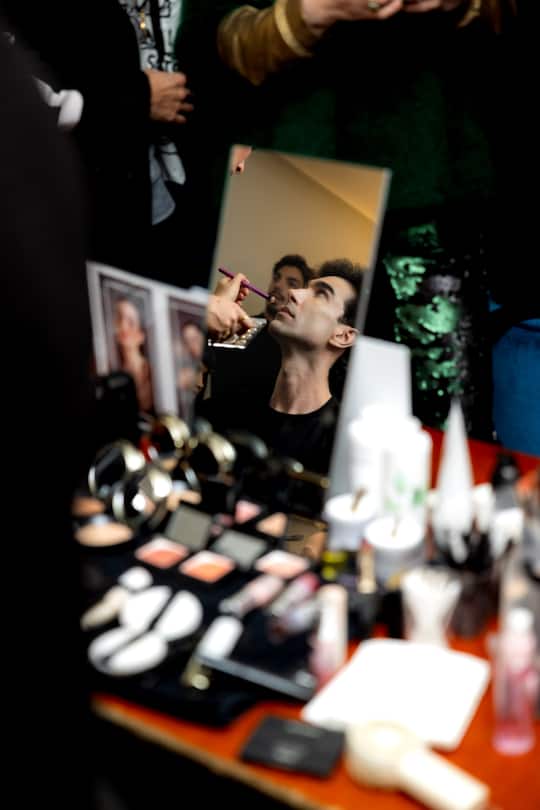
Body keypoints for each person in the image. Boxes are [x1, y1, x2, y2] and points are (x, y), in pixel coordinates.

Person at [176, 0, 519, 441]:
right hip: (293, 180)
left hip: (427, 191)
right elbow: (207, 43)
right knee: (264, 444)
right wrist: (305, 14)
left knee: (440, 443)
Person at [202, 260, 362, 480]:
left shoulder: (339, 444)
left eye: (321, 294)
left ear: (343, 336)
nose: (295, 293)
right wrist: (207, 316)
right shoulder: (231, 407)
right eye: (305, 288)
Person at [113, 294, 154, 412]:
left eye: (130, 322)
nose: (122, 326)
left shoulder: (152, 372)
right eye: (119, 318)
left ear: (142, 334)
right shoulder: (111, 365)